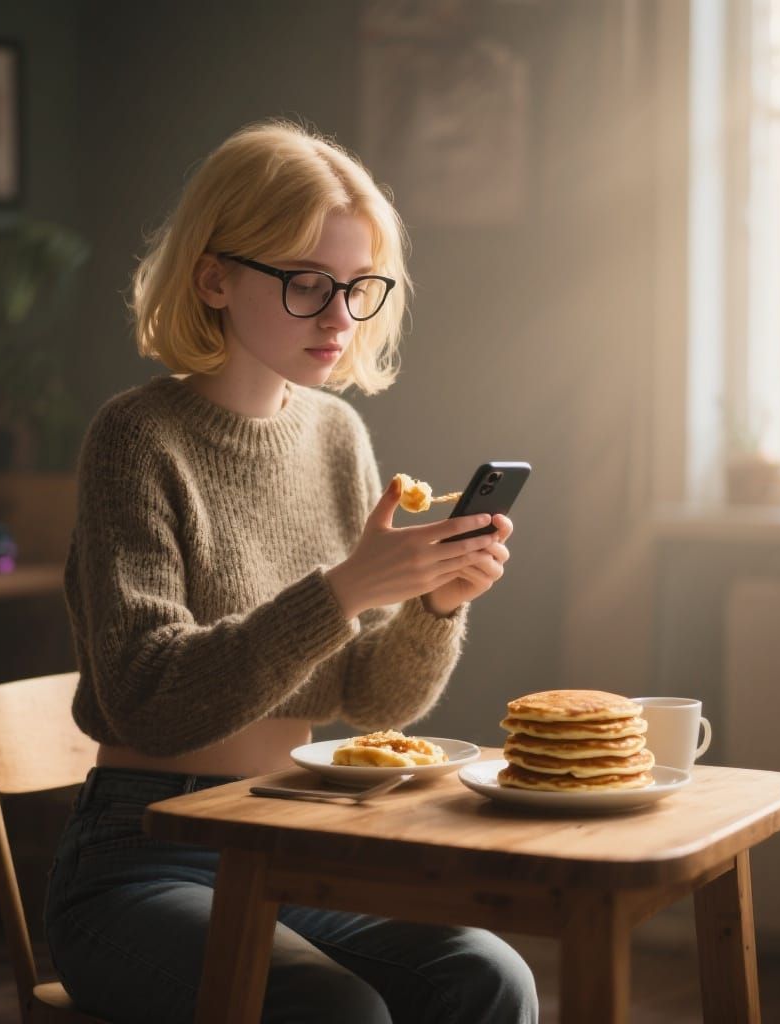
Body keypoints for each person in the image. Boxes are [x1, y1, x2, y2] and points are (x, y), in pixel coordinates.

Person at [44, 119, 538, 1024]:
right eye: (308, 285)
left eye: (358, 289)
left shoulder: (335, 435)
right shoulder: (136, 438)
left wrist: (430, 604)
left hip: (296, 837)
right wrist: (346, 589)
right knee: (333, 1010)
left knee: (489, 976)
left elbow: (371, 701)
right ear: (215, 277)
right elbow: (150, 701)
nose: (340, 319)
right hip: (145, 854)